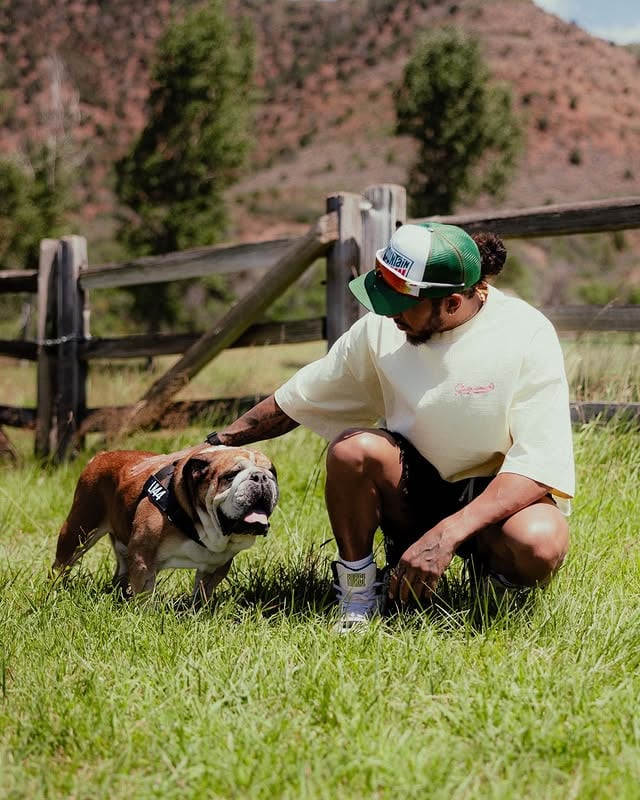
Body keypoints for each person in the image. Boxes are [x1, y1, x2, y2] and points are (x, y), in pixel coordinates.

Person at [204, 223, 575, 631]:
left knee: (540, 540)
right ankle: (359, 592)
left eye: (402, 302)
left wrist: (449, 534)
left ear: (451, 302)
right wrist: (213, 445)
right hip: (415, 488)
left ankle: (491, 588)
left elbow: (538, 466)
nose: (388, 312)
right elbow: (296, 399)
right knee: (351, 449)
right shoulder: (383, 327)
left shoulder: (526, 332)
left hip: (495, 497)